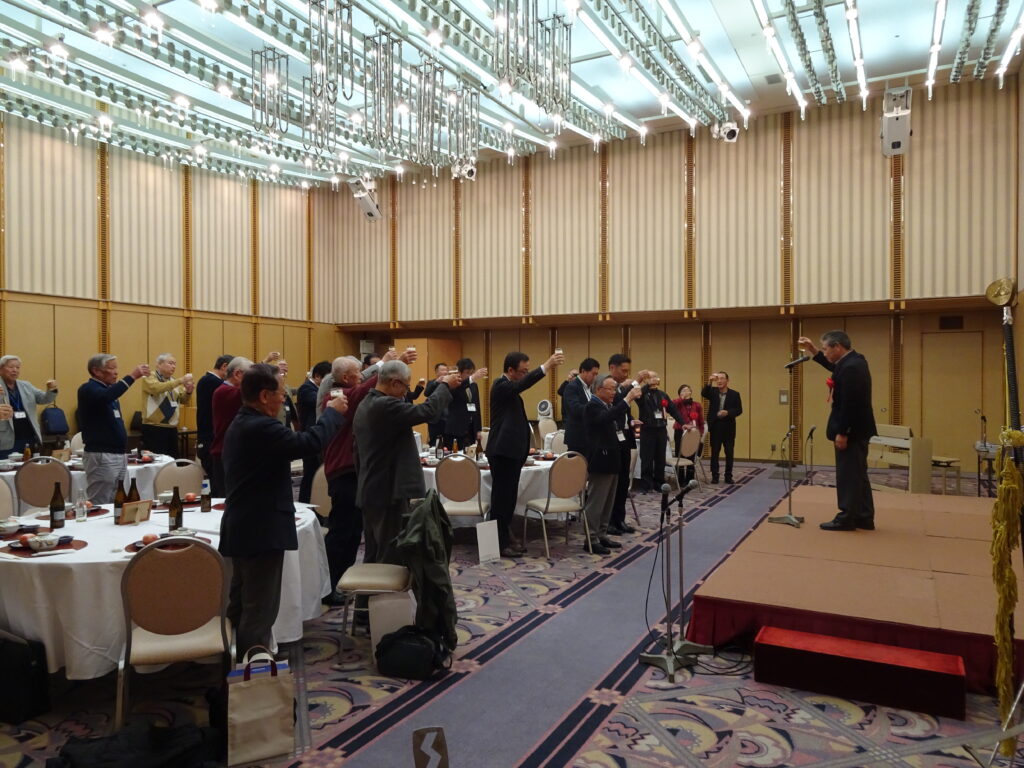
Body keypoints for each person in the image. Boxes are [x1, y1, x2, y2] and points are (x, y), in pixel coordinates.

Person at [219, 363, 348, 657]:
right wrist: (332, 413)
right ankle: (254, 672)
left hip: (246, 525)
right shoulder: (261, 427)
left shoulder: (245, 421)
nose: (283, 399)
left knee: (243, 602)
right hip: (260, 530)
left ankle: (235, 666)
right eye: (280, 393)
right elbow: (308, 443)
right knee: (259, 609)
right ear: (265, 395)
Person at [321, 349, 415, 603]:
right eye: (358, 374)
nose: (362, 377)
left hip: (352, 470)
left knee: (354, 533)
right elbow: (364, 390)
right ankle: (329, 587)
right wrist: (390, 366)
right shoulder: (336, 396)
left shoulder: (348, 392)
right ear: (347, 377)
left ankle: (345, 584)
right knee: (342, 533)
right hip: (343, 472)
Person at [353, 360, 459, 565]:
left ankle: (369, 586)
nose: (406, 392)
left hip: (371, 487)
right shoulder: (385, 405)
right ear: (394, 383)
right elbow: (427, 411)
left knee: (374, 553)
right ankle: (384, 586)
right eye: (406, 386)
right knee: (390, 555)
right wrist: (445, 385)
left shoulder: (366, 403)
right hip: (386, 491)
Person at [486, 349, 564, 557]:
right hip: (502, 453)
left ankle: (505, 537)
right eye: (523, 371)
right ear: (510, 371)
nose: (525, 375)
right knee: (501, 501)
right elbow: (521, 385)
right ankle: (498, 544)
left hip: (511, 453)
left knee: (508, 500)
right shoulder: (500, 385)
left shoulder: (509, 390)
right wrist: (546, 366)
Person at [800, 331, 877, 531]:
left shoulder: (851, 367)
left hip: (852, 431)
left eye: (826, 349)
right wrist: (813, 350)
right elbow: (834, 367)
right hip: (859, 429)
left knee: (848, 475)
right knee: (858, 474)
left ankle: (847, 517)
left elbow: (851, 404)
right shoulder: (853, 361)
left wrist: (843, 432)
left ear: (837, 347)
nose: (825, 353)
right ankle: (864, 516)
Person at [77, 354, 149, 503]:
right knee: (100, 501)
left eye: (116, 368)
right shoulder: (88, 389)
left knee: (117, 500)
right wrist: (132, 377)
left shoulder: (108, 391)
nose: (116, 372)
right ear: (96, 371)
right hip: (102, 455)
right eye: (112, 368)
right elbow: (106, 396)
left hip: (118, 454)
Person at [583, 375, 641, 554]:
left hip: (612, 459)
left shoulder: (606, 405)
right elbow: (605, 418)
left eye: (615, 389)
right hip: (601, 460)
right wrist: (627, 399)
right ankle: (591, 539)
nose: (614, 393)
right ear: (599, 389)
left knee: (608, 502)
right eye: (611, 389)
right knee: (596, 502)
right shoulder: (592, 406)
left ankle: (601, 534)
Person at [606, 354, 650, 535]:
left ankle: (619, 519)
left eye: (628, 371)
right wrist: (636, 382)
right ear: (612, 368)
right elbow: (618, 402)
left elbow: (623, 411)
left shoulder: (620, 387)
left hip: (624, 437)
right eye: (623, 371)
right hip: (611, 440)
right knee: (613, 484)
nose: (626, 374)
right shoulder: (606, 386)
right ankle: (608, 521)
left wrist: (631, 420)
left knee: (623, 482)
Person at [210, 356, 253, 497]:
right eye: (251, 375)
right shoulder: (224, 391)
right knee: (229, 499)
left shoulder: (230, 391)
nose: (253, 380)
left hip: (233, 452)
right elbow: (253, 390)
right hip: (225, 453)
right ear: (238, 374)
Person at [636, 374, 684, 492]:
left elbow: (673, 410)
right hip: (648, 430)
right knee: (646, 458)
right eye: (651, 377)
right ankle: (646, 484)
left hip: (661, 429)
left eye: (655, 377)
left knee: (660, 458)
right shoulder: (642, 393)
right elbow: (638, 399)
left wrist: (683, 423)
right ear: (646, 380)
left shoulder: (662, 394)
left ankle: (659, 483)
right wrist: (647, 385)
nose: (654, 379)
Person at [0, 355, 58, 454]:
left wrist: (51, 389)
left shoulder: (26, 385)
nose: (15, 370)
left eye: (17, 367)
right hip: (6, 438)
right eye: (11, 367)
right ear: (1, 369)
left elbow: (44, 399)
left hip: (30, 436)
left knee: (30, 463)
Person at [139, 353, 193, 458]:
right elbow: (157, 388)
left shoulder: (173, 381)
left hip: (172, 428)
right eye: (170, 363)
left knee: (173, 461)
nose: (174, 366)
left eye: (175, 364)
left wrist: (188, 392)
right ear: (159, 364)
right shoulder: (149, 377)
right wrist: (180, 381)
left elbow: (183, 400)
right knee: (157, 461)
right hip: (154, 428)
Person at [296, 360, 331, 504]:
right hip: (310, 437)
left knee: (317, 475)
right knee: (310, 475)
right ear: (317, 376)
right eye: (328, 379)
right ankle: (305, 504)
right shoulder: (306, 389)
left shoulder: (315, 388)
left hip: (317, 437)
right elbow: (320, 402)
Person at [700, 371, 742, 484]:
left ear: (727, 380)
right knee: (715, 452)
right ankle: (715, 476)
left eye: (722, 378)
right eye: (717, 379)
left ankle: (728, 476)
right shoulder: (712, 391)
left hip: (728, 426)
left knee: (729, 452)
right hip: (715, 426)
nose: (719, 381)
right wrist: (709, 381)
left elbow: (739, 410)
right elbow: (704, 393)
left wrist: (727, 412)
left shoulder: (734, 394)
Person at [196, 354, 232, 477]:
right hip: (210, 439)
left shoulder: (208, 381)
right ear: (224, 366)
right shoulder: (211, 382)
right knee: (217, 481)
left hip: (210, 438)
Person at [443, 358, 487, 449]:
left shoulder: (473, 385)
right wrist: (471, 378)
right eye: (467, 372)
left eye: (472, 372)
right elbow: (459, 388)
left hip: (470, 429)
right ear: (459, 373)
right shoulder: (453, 384)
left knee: (470, 454)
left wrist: (478, 429)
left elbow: (476, 407)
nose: (470, 375)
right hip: (455, 429)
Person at [562, 358, 599, 454]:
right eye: (593, 374)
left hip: (589, 437)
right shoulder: (572, 387)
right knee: (577, 464)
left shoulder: (589, 388)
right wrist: (596, 407)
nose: (595, 377)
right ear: (583, 371)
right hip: (578, 438)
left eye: (597, 374)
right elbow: (576, 409)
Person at [672, 384, 704, 483]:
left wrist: (700, 433)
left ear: (691, 392)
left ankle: (690, 478)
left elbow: (701, 421)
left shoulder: (697, 405)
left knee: (691, 455)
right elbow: (671, 406)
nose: (686, 392)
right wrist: (681, 398)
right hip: (680, 431)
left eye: (687, 390)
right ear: (679, 394)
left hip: (693, 433)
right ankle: (680, 479)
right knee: (680, 454)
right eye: (683, 390)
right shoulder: (677, 403)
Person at [424, 363, 449, 447]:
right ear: (437, 372)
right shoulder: (432, 382)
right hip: (434, 418)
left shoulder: (450, 383)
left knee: (447, 443)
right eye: (442, 370)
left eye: (446, 370)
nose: (445, 372)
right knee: (434, 443)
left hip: (447, 418)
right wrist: (436, 382)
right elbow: (426, 393)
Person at [274, 359, 300, 430]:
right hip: (278, 422)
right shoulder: (272, 384)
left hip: (288, 423)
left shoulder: (286, 387)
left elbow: (296, 390)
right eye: (281, 366)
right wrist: (276, 372)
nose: (284, 369)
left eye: (285, 366)